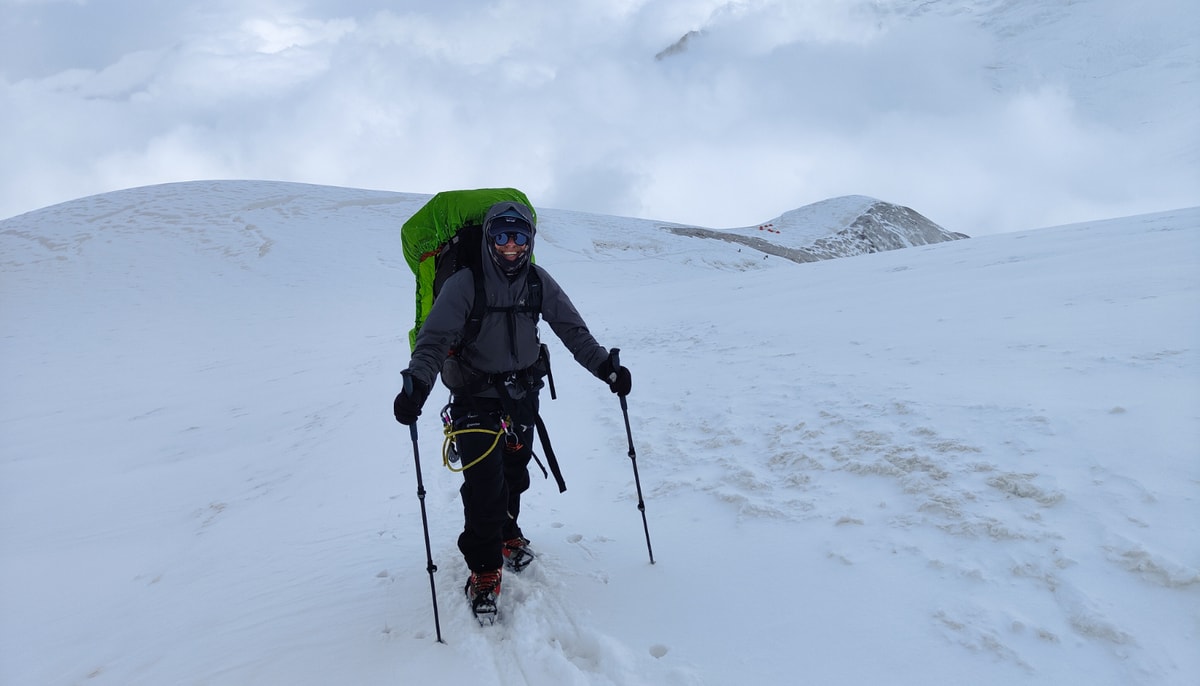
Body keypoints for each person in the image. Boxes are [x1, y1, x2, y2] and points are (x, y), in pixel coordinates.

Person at [393, 200, 632, 617]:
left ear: (530, 240)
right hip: (473, 396)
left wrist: (604, 369)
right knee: (484, 486)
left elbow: (572, 331)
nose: (510, 246)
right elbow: (433, 340)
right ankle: (484, 568)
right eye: (501, 236)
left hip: (521, 395)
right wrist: (418, 386)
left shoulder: (538, 282)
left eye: (519, 236)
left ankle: (507, 532)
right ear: (488, 239)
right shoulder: (465, 284)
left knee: (513, 474)